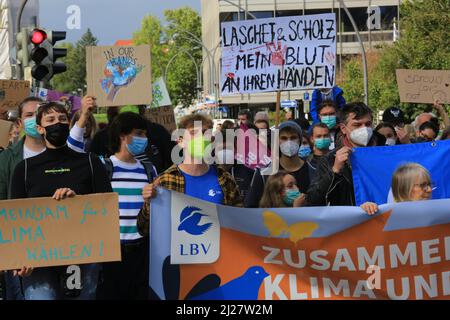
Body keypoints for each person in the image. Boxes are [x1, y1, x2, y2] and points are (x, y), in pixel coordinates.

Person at [9, 102, 112, 300]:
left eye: (62, 119)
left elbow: (106, 209)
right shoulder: (24, 169)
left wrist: (77, 202)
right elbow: (16, 218)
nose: (58, 123)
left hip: (83, 258)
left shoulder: (90, 163)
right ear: (40, 128)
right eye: (50, 120)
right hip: (38, 262)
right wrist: (20, 257)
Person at [137, 113, 242, 238]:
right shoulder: (164, 181)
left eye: (204, 133)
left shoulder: (225, 179)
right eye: (193, 133)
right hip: (179, 255)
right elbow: (144, 229)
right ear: (180, 141)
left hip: (218, 255)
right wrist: (149, 203)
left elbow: (239, 224)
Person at [96, 112, 157, 300]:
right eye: (138, 133)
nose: (144, 139)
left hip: (142, 251)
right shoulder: (102, 167)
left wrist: (152, 199)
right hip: (111, 253)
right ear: (122, 135)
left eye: (145, 134)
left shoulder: (149, 169)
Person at [306, 102, 376, 206]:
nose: (364, 129)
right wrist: (334, 171)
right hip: (349, 221)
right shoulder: (329, 160)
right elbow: (313, 199)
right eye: (357, 125)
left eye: (368, 124)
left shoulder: (382, 154)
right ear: (343, 128)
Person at [215, 130, 265, 208]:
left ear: (235, 149)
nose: (225, 152)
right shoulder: (209, 172)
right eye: (221, 149)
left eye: (228, 148)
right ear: (215, 150)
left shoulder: (250, 173)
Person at [361, 163, 433, 215]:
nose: (430, 190)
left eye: (429, 185)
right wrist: (366, 209)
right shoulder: (386, 216)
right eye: (423, 185)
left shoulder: (436, 213)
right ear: (404, 190)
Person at [278, 121, 310, 194]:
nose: (289, 142)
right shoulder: (267, 172)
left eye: (293, 138)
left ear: (300, 141)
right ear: (277, 141)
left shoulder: (312, 170)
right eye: (284, 138)